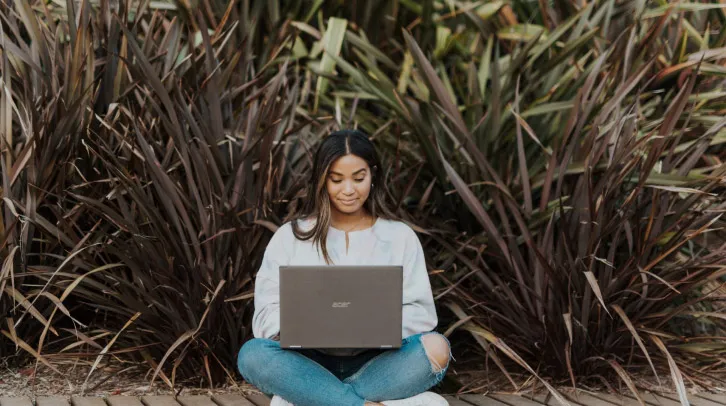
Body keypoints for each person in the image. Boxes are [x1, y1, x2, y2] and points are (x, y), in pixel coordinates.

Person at [237, 129, 454, 406]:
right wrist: (305, 326)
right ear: (321, 180)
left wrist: (374, 325)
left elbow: (422, 314)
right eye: (336, 179)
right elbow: (266, 316)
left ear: (373, 175)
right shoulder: (290, 236)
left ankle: (317, 398)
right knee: (252, 355)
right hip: (306, 364)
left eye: (359, 178)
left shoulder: (399, 237)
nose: (349, 190)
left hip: (378, 364)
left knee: (437, 348)